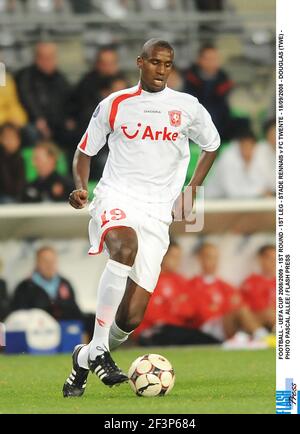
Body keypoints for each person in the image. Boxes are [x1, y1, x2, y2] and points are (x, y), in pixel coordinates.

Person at [63, 38, 220, 397]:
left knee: (131, 318)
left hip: (157, 211)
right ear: (140, 62)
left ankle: (84, 357)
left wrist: (192, 188)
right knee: (124, 247)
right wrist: (80, 186)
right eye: (155, 63)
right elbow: (84, 151)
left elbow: (211, 144)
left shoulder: (187, 107)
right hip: (116, 195)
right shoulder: (115, 104)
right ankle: (100, 350)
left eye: (167, 64)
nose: (161, 70)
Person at [134, 240, 221, 346]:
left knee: (201, 338)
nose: (177, 261)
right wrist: (176, 307)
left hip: (178, 330)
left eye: (179, 257)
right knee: (189, 336)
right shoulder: (148, 279)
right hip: (152, 330)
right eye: (174, 257)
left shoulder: (182, 281)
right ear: (162, 256)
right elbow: (148, 314)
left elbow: (192, 310)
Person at [189, 243, 270, 344]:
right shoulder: (190, 285)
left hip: (227, 323)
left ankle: (263, 338)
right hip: (206, 328)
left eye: (215, 258)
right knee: (241, 312)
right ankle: (265, 339)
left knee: (268, 313)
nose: (213, 262)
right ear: (199, 259)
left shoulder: (226, 286)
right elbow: (195, 314)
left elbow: (237, 306)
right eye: (209, 257)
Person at [10, 246, 93, 336]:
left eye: (52, 261)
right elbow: (19, 317)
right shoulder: (24, 286)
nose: (49, 265)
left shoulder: (64, 283)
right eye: (45, 261)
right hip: (39, 331)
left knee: (91, 319)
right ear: (37, 263)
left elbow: (75, 310)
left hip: (64, 329)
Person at [16, 42, 71, 147]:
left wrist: (68, 119)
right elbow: (26, 99)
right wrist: (38, 119)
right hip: (32, 122)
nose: (47, 61)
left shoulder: (60, 79)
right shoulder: (26, 77)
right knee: (32, 133)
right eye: (43, 57)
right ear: (36, 58)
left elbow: (69, 101)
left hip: (56, 123)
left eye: (51, 57)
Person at [68, 47, 124, 140]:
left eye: (111, 63)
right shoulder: (87, 83)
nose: (108, 68)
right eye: (104, 64)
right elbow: (84, 112)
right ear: (97, 64)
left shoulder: (122, 82)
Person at [183, 44, 234, 140]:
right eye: (209, 59)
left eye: (215, 58)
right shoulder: (188, 77)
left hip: (218, 123)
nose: (212, 62)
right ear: (200, 60)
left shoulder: (224, 80)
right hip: (193, 121)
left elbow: (223, 107)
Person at [205, 130, 274, 198]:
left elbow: (263, 183)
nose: (247, 150)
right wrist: (261, 192)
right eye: (244, 146)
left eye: (250, 146)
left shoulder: (256, 156)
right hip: (212, 200)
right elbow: (232, 192)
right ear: (239, 145)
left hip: (233, 201)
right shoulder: (228, 158)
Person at [240, 245, 276, 331]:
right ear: (261, 259)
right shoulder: (250, 281)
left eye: (276, 258)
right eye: (269, 258)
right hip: (256, 321)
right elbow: (243, 308)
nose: (273, 262)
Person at [0, 123, 26, 203]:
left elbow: (20, 185)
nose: (10, 141)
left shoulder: (20, 158)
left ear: (19, 140)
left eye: (13, 137)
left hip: (15, 197)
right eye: (7, 137)